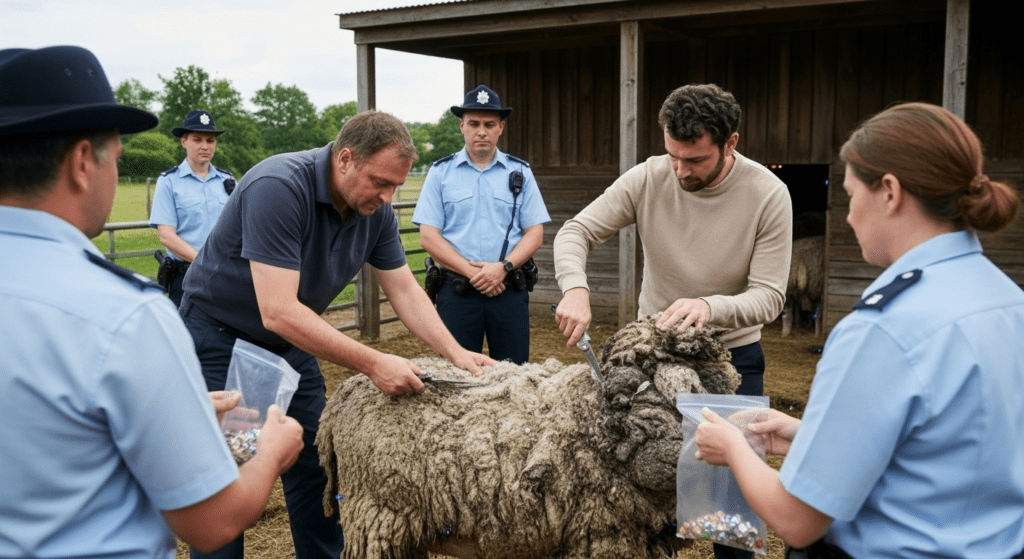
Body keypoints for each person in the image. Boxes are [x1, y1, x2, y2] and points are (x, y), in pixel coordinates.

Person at [0, 45, 304, 558]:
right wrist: (270, 454)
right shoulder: (125, 318)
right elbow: (209, 523)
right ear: (82, 162)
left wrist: (171, 410)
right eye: (116, 156)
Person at [693, 103, 1024, 558]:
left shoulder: (883, 331)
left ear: (889, 192)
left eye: (850, 195)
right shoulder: (1007, 302)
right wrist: (811, 435)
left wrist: (733, 448)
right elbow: (951, 448)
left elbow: (797, 520)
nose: (848, 217)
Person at [178, 109, 496, 558]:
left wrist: (456, 352)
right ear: (345, 158)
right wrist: (374, 363)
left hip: (291, 343)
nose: (387, 197)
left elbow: (403, 289)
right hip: (224, 340)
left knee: (318, 465)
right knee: (231, 467)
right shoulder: (279, 187)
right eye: (380, 182)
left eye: (396, 186)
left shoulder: (375, 211)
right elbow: (277, 310)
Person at [553, 82, 790, 559]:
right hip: (652, 360)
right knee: (637, 499)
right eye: (673, 155)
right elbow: (576, 231)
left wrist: (710, 307)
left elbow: (769, 296)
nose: (680, 170)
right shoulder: (649, 176)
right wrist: (575, 287)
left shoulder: (768, 193)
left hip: (728, 362)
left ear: (730, 143)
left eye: (695, 160)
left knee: (727, 509)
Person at [413, 84, 550, 364]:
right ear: (462, 126)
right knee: (456, 373)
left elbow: (535, 233)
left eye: (489, 124)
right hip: (457, 291)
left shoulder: (520, 172)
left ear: (501, 127)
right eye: (474, 123)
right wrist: (474, 273)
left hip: (508, 290)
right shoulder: (440, 173)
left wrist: (503, 268)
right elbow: (428, 236)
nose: (481, 131)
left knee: (514, 373)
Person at [149, 109, 235, 306]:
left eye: (210, 140)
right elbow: (166, 236)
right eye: (197, 140)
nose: (205, 146)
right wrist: (204, 263)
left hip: (225, 277)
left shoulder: (228, 180)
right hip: (186, 277)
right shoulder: (169, 181)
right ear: (184, 142)